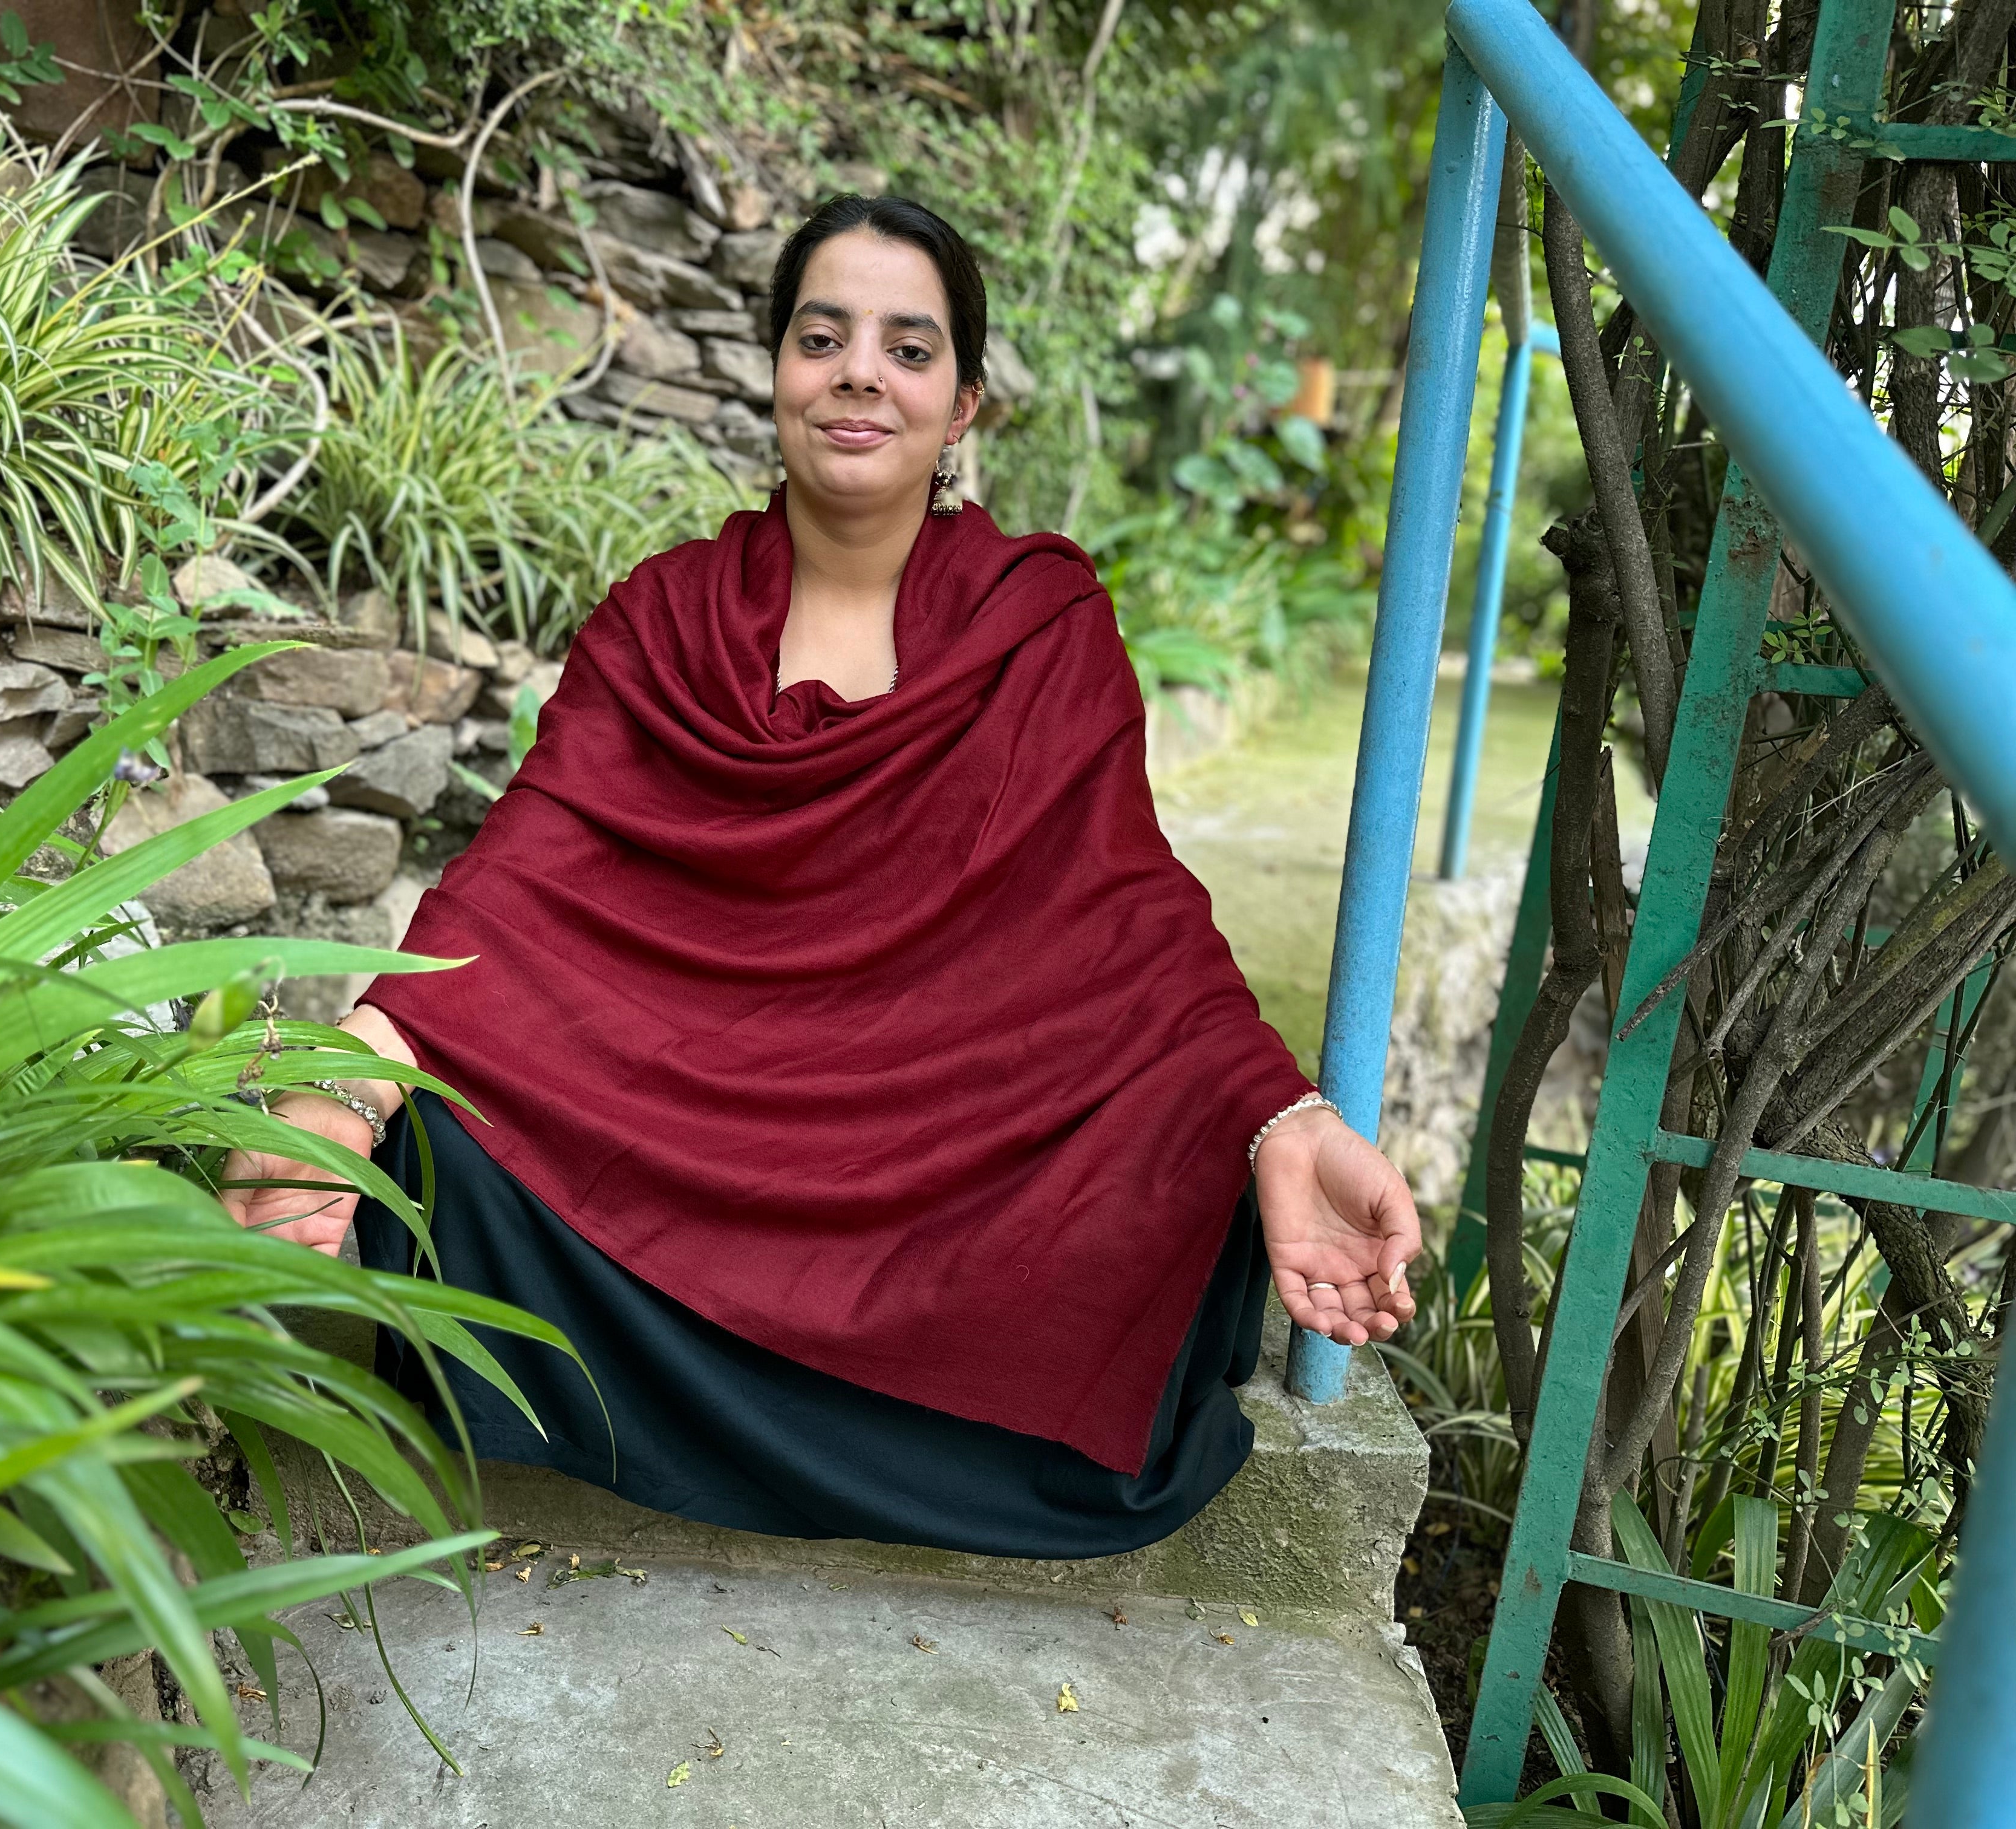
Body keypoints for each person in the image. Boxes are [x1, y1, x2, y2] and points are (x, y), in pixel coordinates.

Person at [218, 193, 1418, 1559]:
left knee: (1159, 1162)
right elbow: (525, 877)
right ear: (777, 369)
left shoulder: (1040, 622)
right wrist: (360, 1061)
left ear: (965, 406)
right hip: (692, 1105)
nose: (859, 371)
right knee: (450, 1126)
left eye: (910, 350)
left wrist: (1279, 1119)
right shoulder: (664, 617)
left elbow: (1122, 914)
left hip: (933, 1132)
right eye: (822, 335)